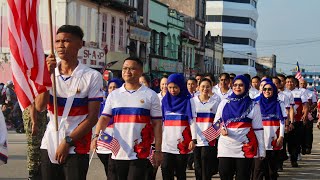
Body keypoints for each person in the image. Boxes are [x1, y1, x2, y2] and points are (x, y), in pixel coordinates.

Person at [35, 25, 104, 180]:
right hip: (50, 142)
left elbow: (92, 117)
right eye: (57, 41)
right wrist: (47, 76)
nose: (60, 45)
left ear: (80, 44)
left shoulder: (91, 76)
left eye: (66, 41)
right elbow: (39, 106)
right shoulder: (48, 72)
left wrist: (68, 141)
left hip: (76, 144)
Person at [96, 57, 162, 180]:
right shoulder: (114, 95)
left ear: (141, 71)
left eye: (132, 69)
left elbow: (157, 124)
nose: (127, 71)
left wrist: (158, 150)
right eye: (125, 68)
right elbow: (104, 118)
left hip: (140, 153)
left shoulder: (150, 95)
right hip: (117, 153)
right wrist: (96, 136)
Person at [214, 75, 265, 180]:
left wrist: (262, 150)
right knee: (224, 174)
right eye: (235, 85)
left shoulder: (254, 106)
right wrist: (221, 128)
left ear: (247, 87)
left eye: (241, 85)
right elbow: (216, 122)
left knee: (243, 176)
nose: (237, 87)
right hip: (226, 146)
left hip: (245, 147)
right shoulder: (224, 103)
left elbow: (258, 130)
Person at [161, 73, 196, 180]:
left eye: (175, 87)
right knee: (166, 170)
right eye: (170, 87)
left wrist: (193, 139)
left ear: (181, 86)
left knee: (180, 172)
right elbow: (162, 121)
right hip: (167, 143)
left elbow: (192, 120)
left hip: (182, 143)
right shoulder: (165, 101)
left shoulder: (188, 101)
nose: (172, 90)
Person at [253, 82, 286, 180]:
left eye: (270, 89)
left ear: (274, 91)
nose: (267, 91)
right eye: (265, 89)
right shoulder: (256, 103)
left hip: (274, 140)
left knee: (272, 171)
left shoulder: (279, 103)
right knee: (258, 169)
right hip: (259, 140)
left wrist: (281, 136)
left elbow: (282, 121)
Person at [91, 78, 123, 178]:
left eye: (115, 87)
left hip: (117, 141)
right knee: (108, 169)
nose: (112, 89)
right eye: (110, 87)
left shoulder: (123, 105)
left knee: (112, 169)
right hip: (103, 142)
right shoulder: (102, 105)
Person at [192, 78, 221, 180]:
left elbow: (219, 121)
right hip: (195, 138)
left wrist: (211, 136)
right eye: (203, 86)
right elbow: (190, 120)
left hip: (209, 140)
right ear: (198, 87)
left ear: (211, 88)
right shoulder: (192, 101)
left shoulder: (215, 102)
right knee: (197, 166)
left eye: (207, 86)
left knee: (206, 166)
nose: (205, 88)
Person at [285, 75, 308, 167]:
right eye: (287, 82)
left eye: (291, 82)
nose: (289, 83)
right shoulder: (282, 93)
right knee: (284, 142)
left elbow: (305, 104)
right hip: (285, 122)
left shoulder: (301, 93)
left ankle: (293, 159)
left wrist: (305, 114)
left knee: (295, 141)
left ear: (295, 83)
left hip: (297, 121)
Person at [23, 104, 48, 180]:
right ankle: (33, 174)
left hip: (38, 116)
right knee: (34, 146)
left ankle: (37, 172)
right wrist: (34, 122)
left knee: (40, 146)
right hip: (33, 116)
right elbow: (31, 103)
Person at [299, 79, 317, 154]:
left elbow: (315, 103)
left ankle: (308, 147)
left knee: (308, 132)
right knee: (300, 132)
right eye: (301, 83)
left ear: (306, 85)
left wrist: (309, 108)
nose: (303, 85)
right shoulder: (297, 92)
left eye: (304, 83)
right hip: (299, 115)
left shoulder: (311, 93)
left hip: (308, 115)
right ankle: (302, 147)